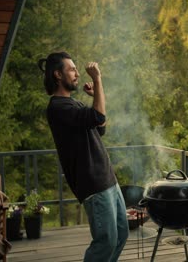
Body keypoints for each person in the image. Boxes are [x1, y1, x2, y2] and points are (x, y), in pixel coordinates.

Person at [39, 52, 128, 262]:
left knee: (120, 236)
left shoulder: (73, 105)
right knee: (105, 242)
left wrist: (96, 92)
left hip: (108, 179)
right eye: (72, 69)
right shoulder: (58, 108)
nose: (77, 74)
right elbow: (98, 116)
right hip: (93, 184)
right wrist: (97, 79)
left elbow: (101, 127)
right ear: (58, 75)